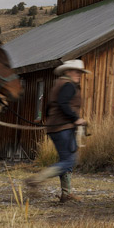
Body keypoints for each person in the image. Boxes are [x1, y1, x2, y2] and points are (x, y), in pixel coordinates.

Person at [25, 59, 90, 202]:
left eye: (80, 72)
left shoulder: (59, 84)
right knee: (69, 161)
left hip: (55, 128)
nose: (79, 74)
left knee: (66, 159)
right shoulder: (68, 85)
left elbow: (49, 107)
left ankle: (66, 194)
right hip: (63, 128)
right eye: (76, 71)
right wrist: (76, 118)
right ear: (67, 71)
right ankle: (37, 179)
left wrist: (51, 121)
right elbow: (63, 103)